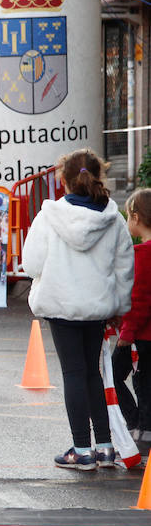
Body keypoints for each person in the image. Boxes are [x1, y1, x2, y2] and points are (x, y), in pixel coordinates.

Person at [22, 148, 133, 470]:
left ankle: (81, 449)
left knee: (73, 373)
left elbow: (31, 263)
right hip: (98, 306)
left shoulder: (50, 215)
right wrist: (120, 307)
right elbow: (125, 268)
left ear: (63, 180)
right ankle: (105, 446)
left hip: (62, 303)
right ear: (99, 176)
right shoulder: (114, 218)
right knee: (93, 374)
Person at [113, 188, 151, 442]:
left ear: (136, 218)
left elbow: (139, 300)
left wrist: (126, 334)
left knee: (116, 375)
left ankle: (137, 424)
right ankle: (143, 426)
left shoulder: (143, 255)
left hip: (142, 334)